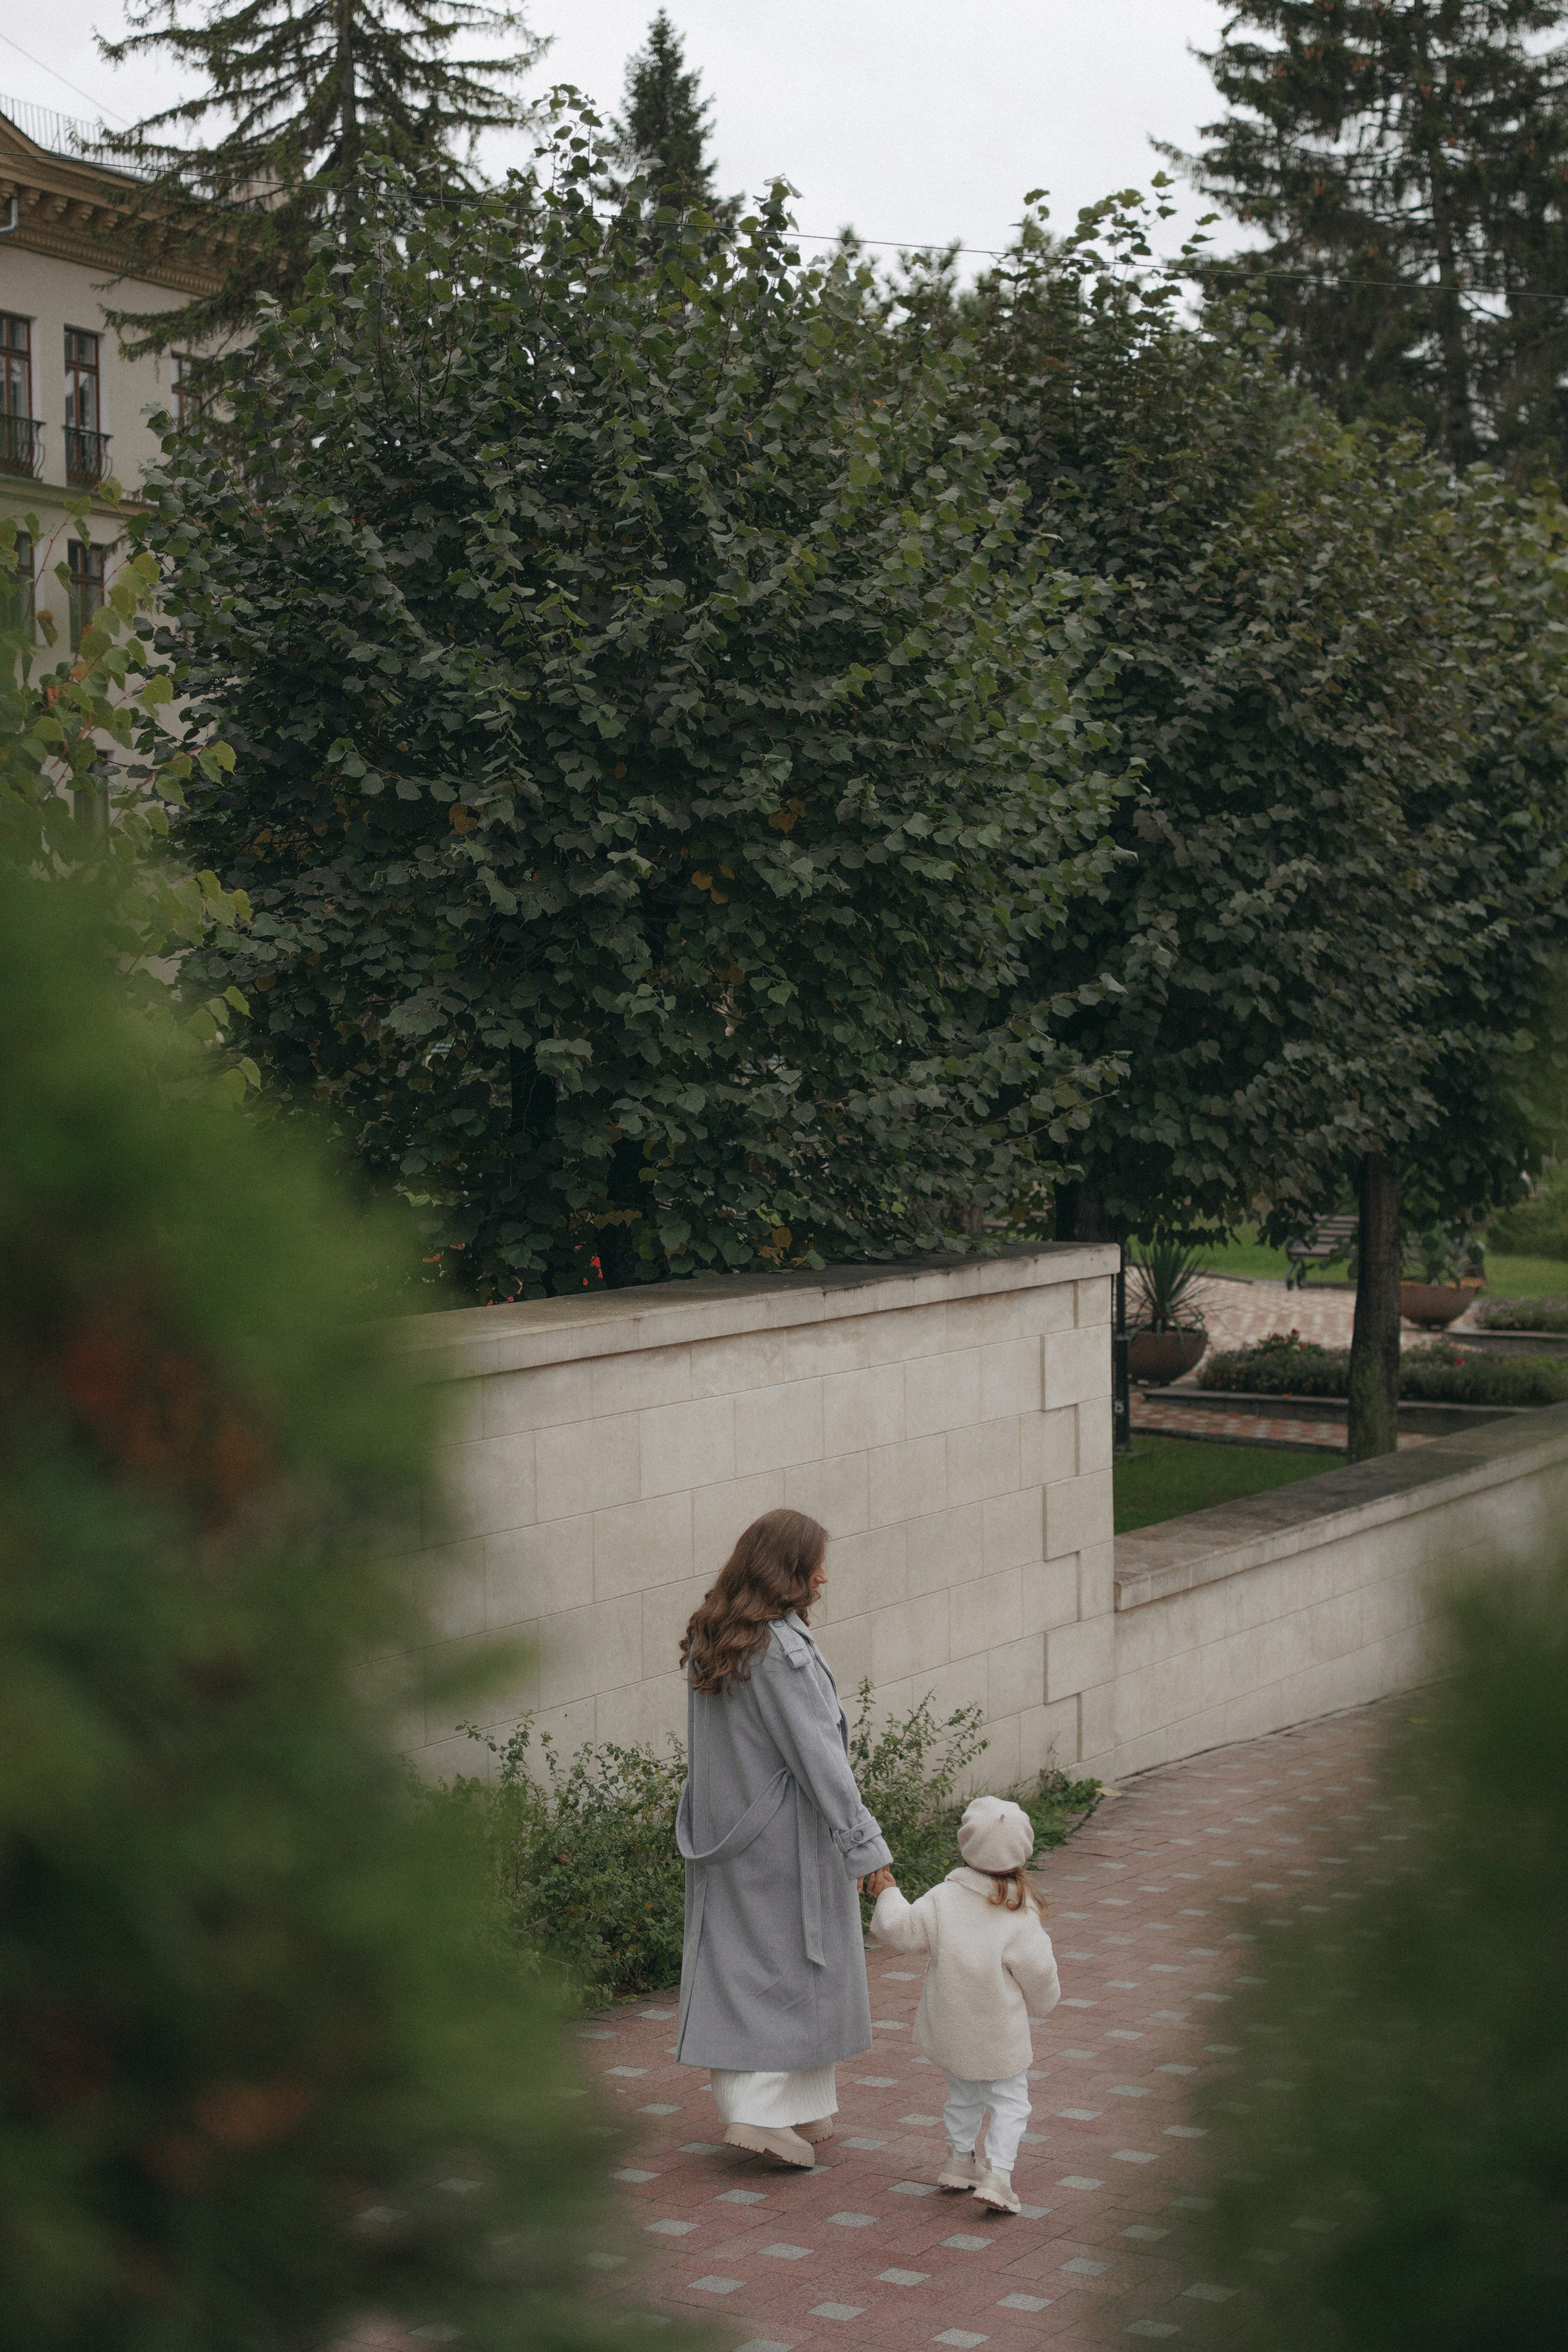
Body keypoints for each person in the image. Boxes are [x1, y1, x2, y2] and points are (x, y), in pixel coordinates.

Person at [674, 1508, 892, 2169]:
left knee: (750, 1964)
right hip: (784, 1838)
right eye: (814, 1565)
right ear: (785, 1571)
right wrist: (867, 1850)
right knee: (792, 1965)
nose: (824, 1577)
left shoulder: (719, 1632)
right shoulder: (779, 1653)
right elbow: (820, 1759)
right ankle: (760, 2113)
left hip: (731, 1830)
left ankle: (800, 2101)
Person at [867, 1792, 1060, 2214]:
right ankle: (999, 2176)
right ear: (1022, 1852)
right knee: (1010, 2100)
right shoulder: (1019, 1913)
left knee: (963, 2093)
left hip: (952, 2027)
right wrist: (1046, 2002)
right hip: (998, 2035)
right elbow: (1040, 1974)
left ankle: (959, 2159)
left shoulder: (944, 1897)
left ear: (967, 1846)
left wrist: (888, 1891)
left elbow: (902, 1931)